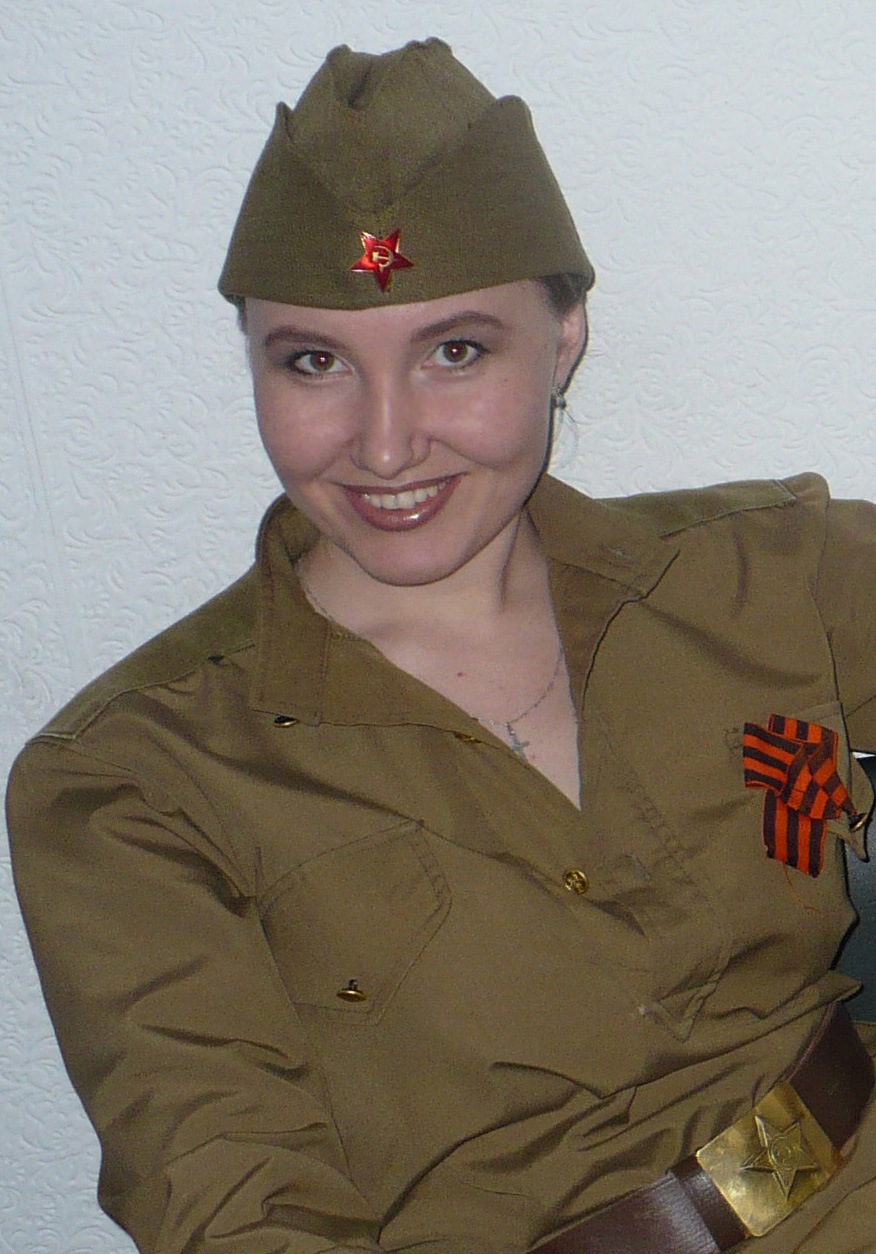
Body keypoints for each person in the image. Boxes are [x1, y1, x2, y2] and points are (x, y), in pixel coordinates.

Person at [7, 36, 876, 1254]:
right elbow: (230, 1204)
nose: (385, 443)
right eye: (314, 362)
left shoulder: (777, 573)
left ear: (562, 339)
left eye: (455, 351)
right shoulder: (136, 781)